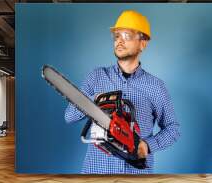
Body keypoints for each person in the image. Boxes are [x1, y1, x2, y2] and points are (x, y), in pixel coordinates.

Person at [65, 10, 180, 174]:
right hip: (97, 171)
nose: (119, 40)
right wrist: (94, 100)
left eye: (126, 35)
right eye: (116, 36)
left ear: (143, 42)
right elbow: (69, 116)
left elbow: (173, 129)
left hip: (137, 174)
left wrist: (147, 146)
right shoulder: (96, 77)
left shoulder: (156, 86)